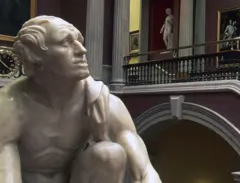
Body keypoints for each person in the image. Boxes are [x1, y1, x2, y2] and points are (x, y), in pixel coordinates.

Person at [0, 16, 162, 183]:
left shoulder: (99, 100)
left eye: (79, 40)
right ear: (34, 56)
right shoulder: (10, 105)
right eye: (65, 43)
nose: (81, 50)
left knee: (109, 154)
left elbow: (145, 171)